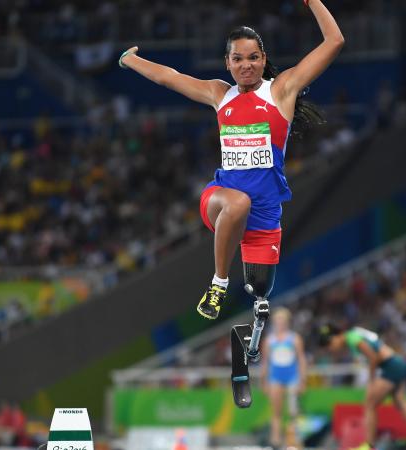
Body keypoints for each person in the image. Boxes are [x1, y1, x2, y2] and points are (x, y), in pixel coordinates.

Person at [118, 0, 344, 319]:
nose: (246, 65)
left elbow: (334, 42)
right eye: (237, 59)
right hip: (221, 202)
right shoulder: (219, 94)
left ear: (263, 60)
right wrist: (131, 60)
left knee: (260, 289)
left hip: (264, 216)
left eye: (253, 58)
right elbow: (168, 77)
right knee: (238, 203)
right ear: (227, 63)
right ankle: (218, 283)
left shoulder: (281, 91)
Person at [319, 324, 406, 450]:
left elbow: (374, 356)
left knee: (369, 404)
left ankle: (369, 445)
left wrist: (371, 380)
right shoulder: (354, 334)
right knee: (401, 403)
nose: (330, 348)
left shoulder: (351, 337)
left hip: (390, 366)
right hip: (397, 363)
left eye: (329, 344)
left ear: (336, 336)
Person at [260, 308, 307, 447]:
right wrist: (263, 382)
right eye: (277, 320)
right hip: (276, 377)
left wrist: (303, 380)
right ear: (274, 322)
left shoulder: (294, 338)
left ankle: (294, 442)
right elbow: (265, 362)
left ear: (287, 322)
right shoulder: (269, 340)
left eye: (282, 321)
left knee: (293, 411)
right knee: (276, 412)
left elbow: (301, 359)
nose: (280, 323)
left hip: (292, 376)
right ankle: (275, 442)